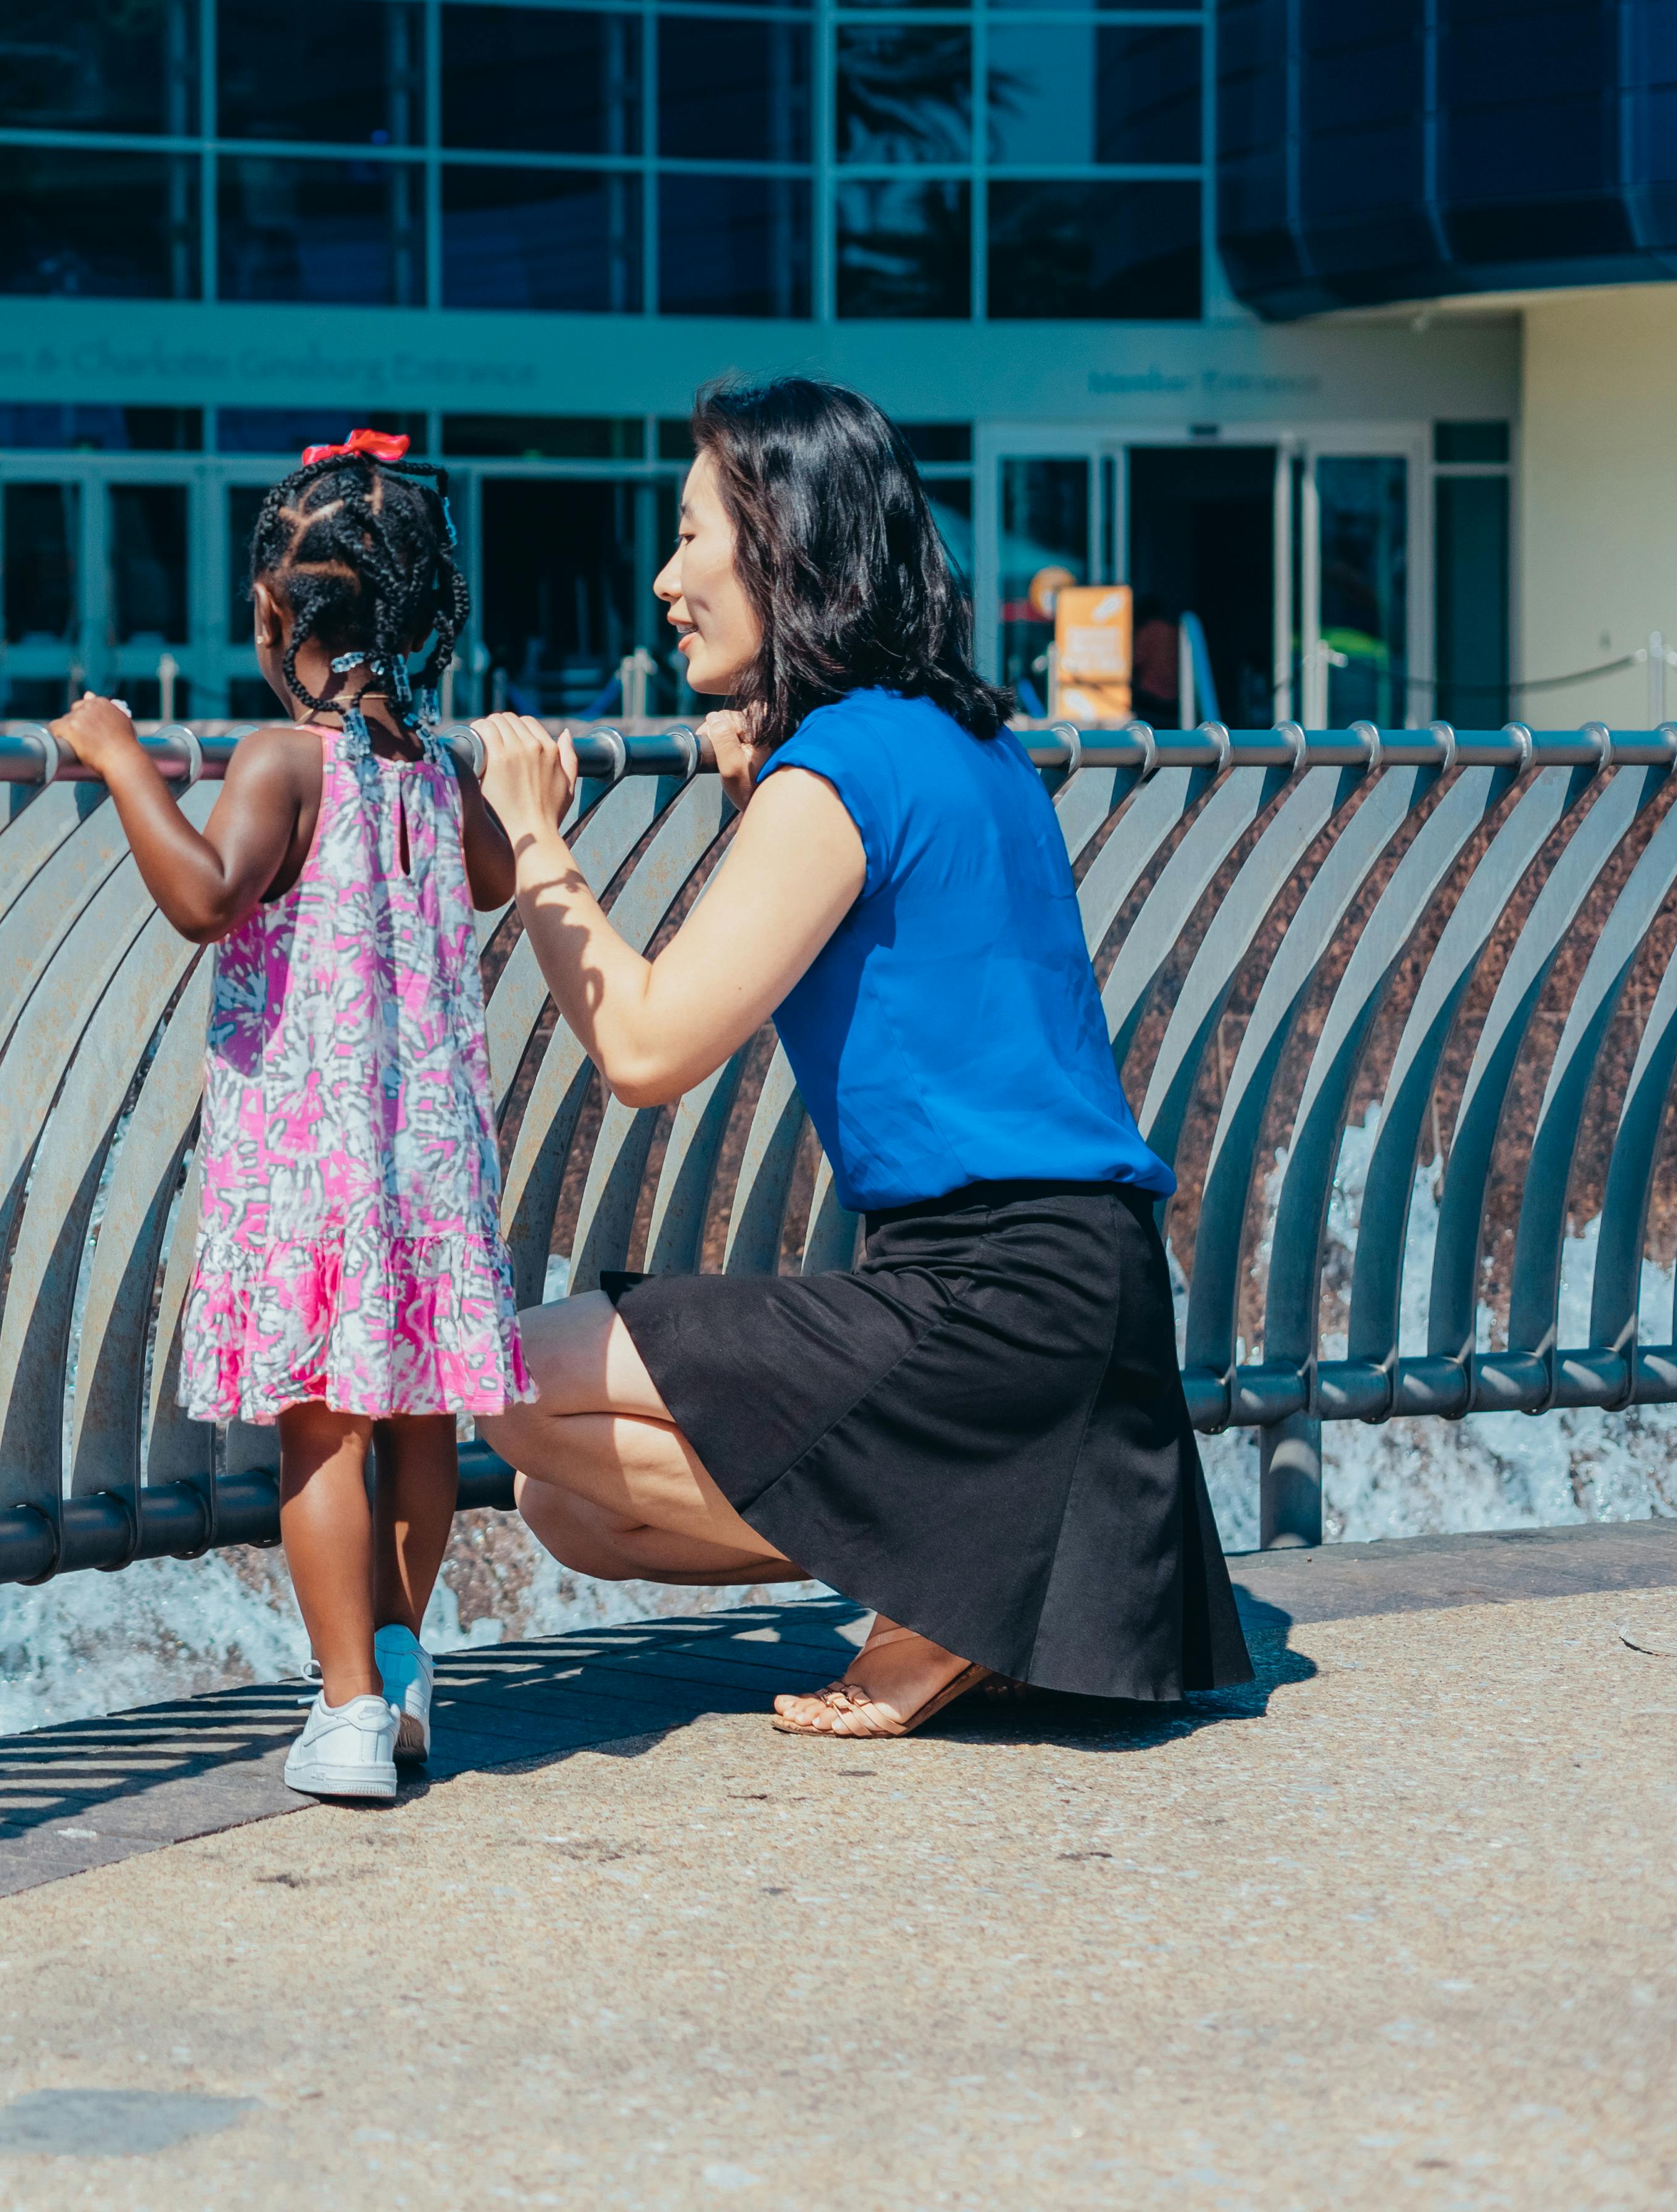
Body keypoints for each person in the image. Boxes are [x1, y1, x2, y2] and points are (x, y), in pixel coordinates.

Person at [468, 378, 1249, 1739]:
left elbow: (647, 1047)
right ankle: (974, 1578)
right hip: (1087, 1296)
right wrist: (762, 766)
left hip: (992, 1292)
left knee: (512, 1376)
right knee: (568, 1509)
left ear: (782, 542)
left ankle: (950, 1597)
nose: (665, 579)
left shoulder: (834, 773)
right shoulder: (969, 740)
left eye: (692, 535)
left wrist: (534, 833)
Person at [48, 432, 530, 1802]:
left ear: (275, 612)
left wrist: (119, 754)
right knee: (424, 1420)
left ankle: (348, 1707)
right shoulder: (432, 769)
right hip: (429, 1155)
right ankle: (400, 1653)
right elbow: (493, 874)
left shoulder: (282, 760)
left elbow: (208, 897)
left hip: (316, 1161)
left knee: (324, 1427)